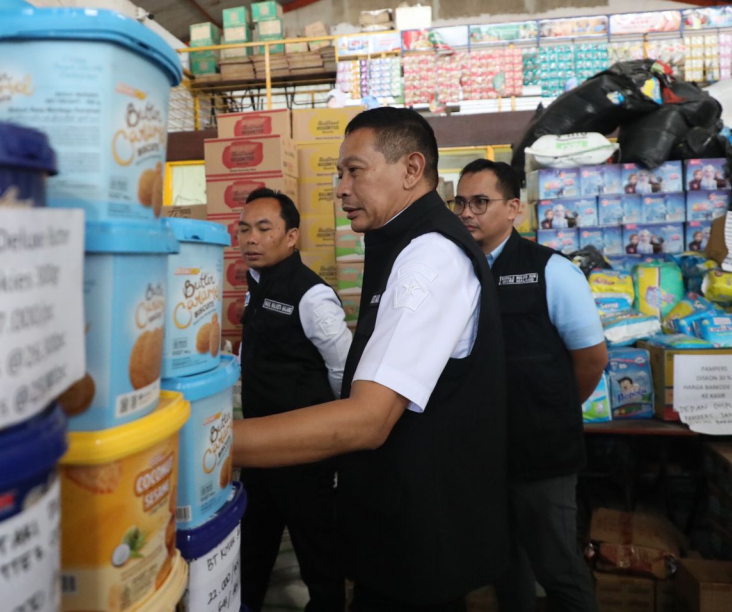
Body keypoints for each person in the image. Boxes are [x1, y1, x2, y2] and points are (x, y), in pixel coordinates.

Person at [234, 107, 508, 611]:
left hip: (421, 537)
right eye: (339, 174)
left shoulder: (429, 256)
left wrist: (211, 444)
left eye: (354, 171)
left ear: (410, 169)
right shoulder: (399, 245)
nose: (340, 188)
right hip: (396, 524)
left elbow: (369, 419)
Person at [454, 159, 607, 612]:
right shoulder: (456, 272)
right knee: (502, 564)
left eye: (480, 202)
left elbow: (592, 359)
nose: (467, 213)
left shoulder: (551, 270)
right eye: (460, 202)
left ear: (514, 209)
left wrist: (549, 410)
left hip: (541, 454)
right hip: (483, 453)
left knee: (558, 568)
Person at [236, 188, 352, 612]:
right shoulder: (256, 286)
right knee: (253, 542)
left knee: (317, 550)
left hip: (305, 451)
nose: (251, 238)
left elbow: (343, 368)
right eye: (245, 229)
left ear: (291, 237)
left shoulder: (312, 296)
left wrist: (334, 430)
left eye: (264, 229)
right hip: (260, 447)